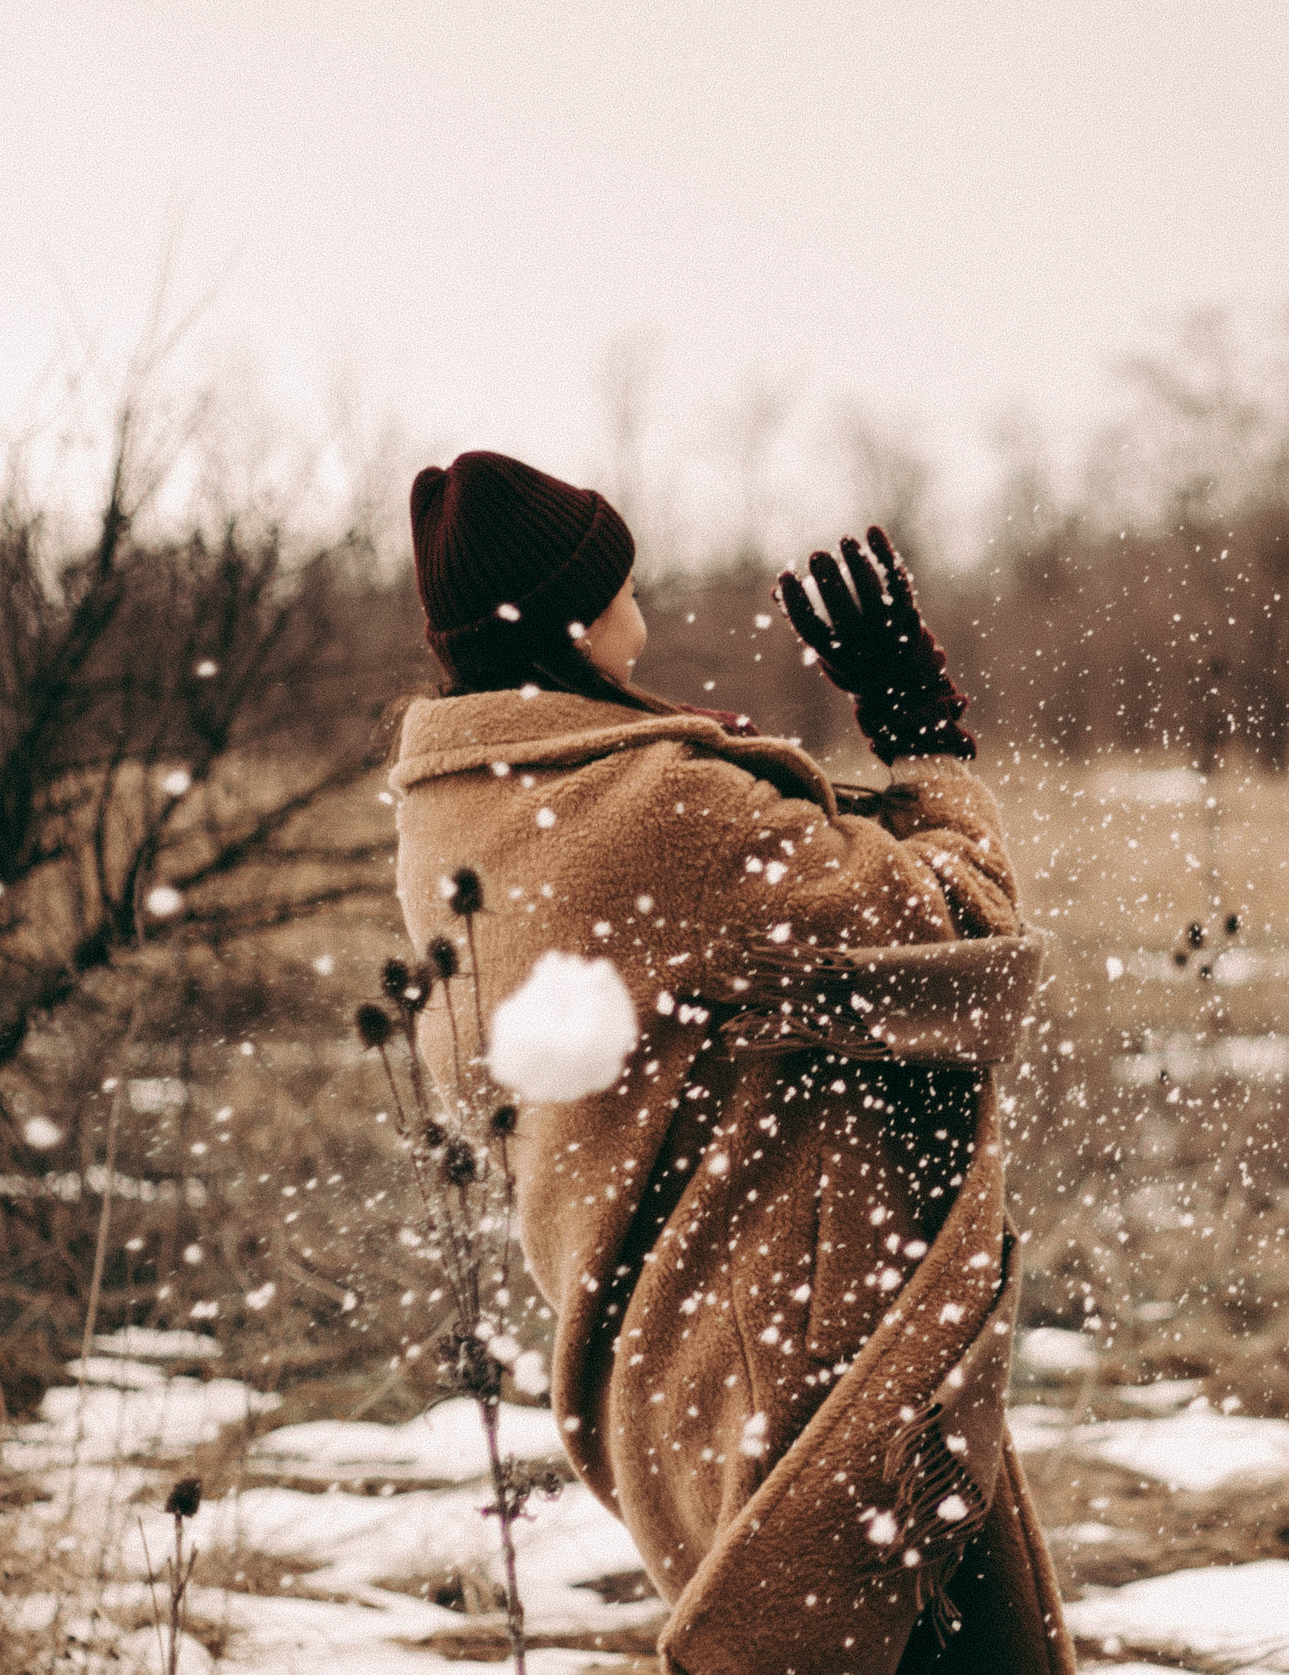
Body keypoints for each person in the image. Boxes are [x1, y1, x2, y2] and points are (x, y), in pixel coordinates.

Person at [388, 451, 1073, 1674]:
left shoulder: (456, 810)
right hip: (801, 1360)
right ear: (577, 621)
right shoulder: (656, 810)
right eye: (626, 585)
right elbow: (968, 936)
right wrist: (926, 741)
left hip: (664, 1359)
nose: (640, 611)